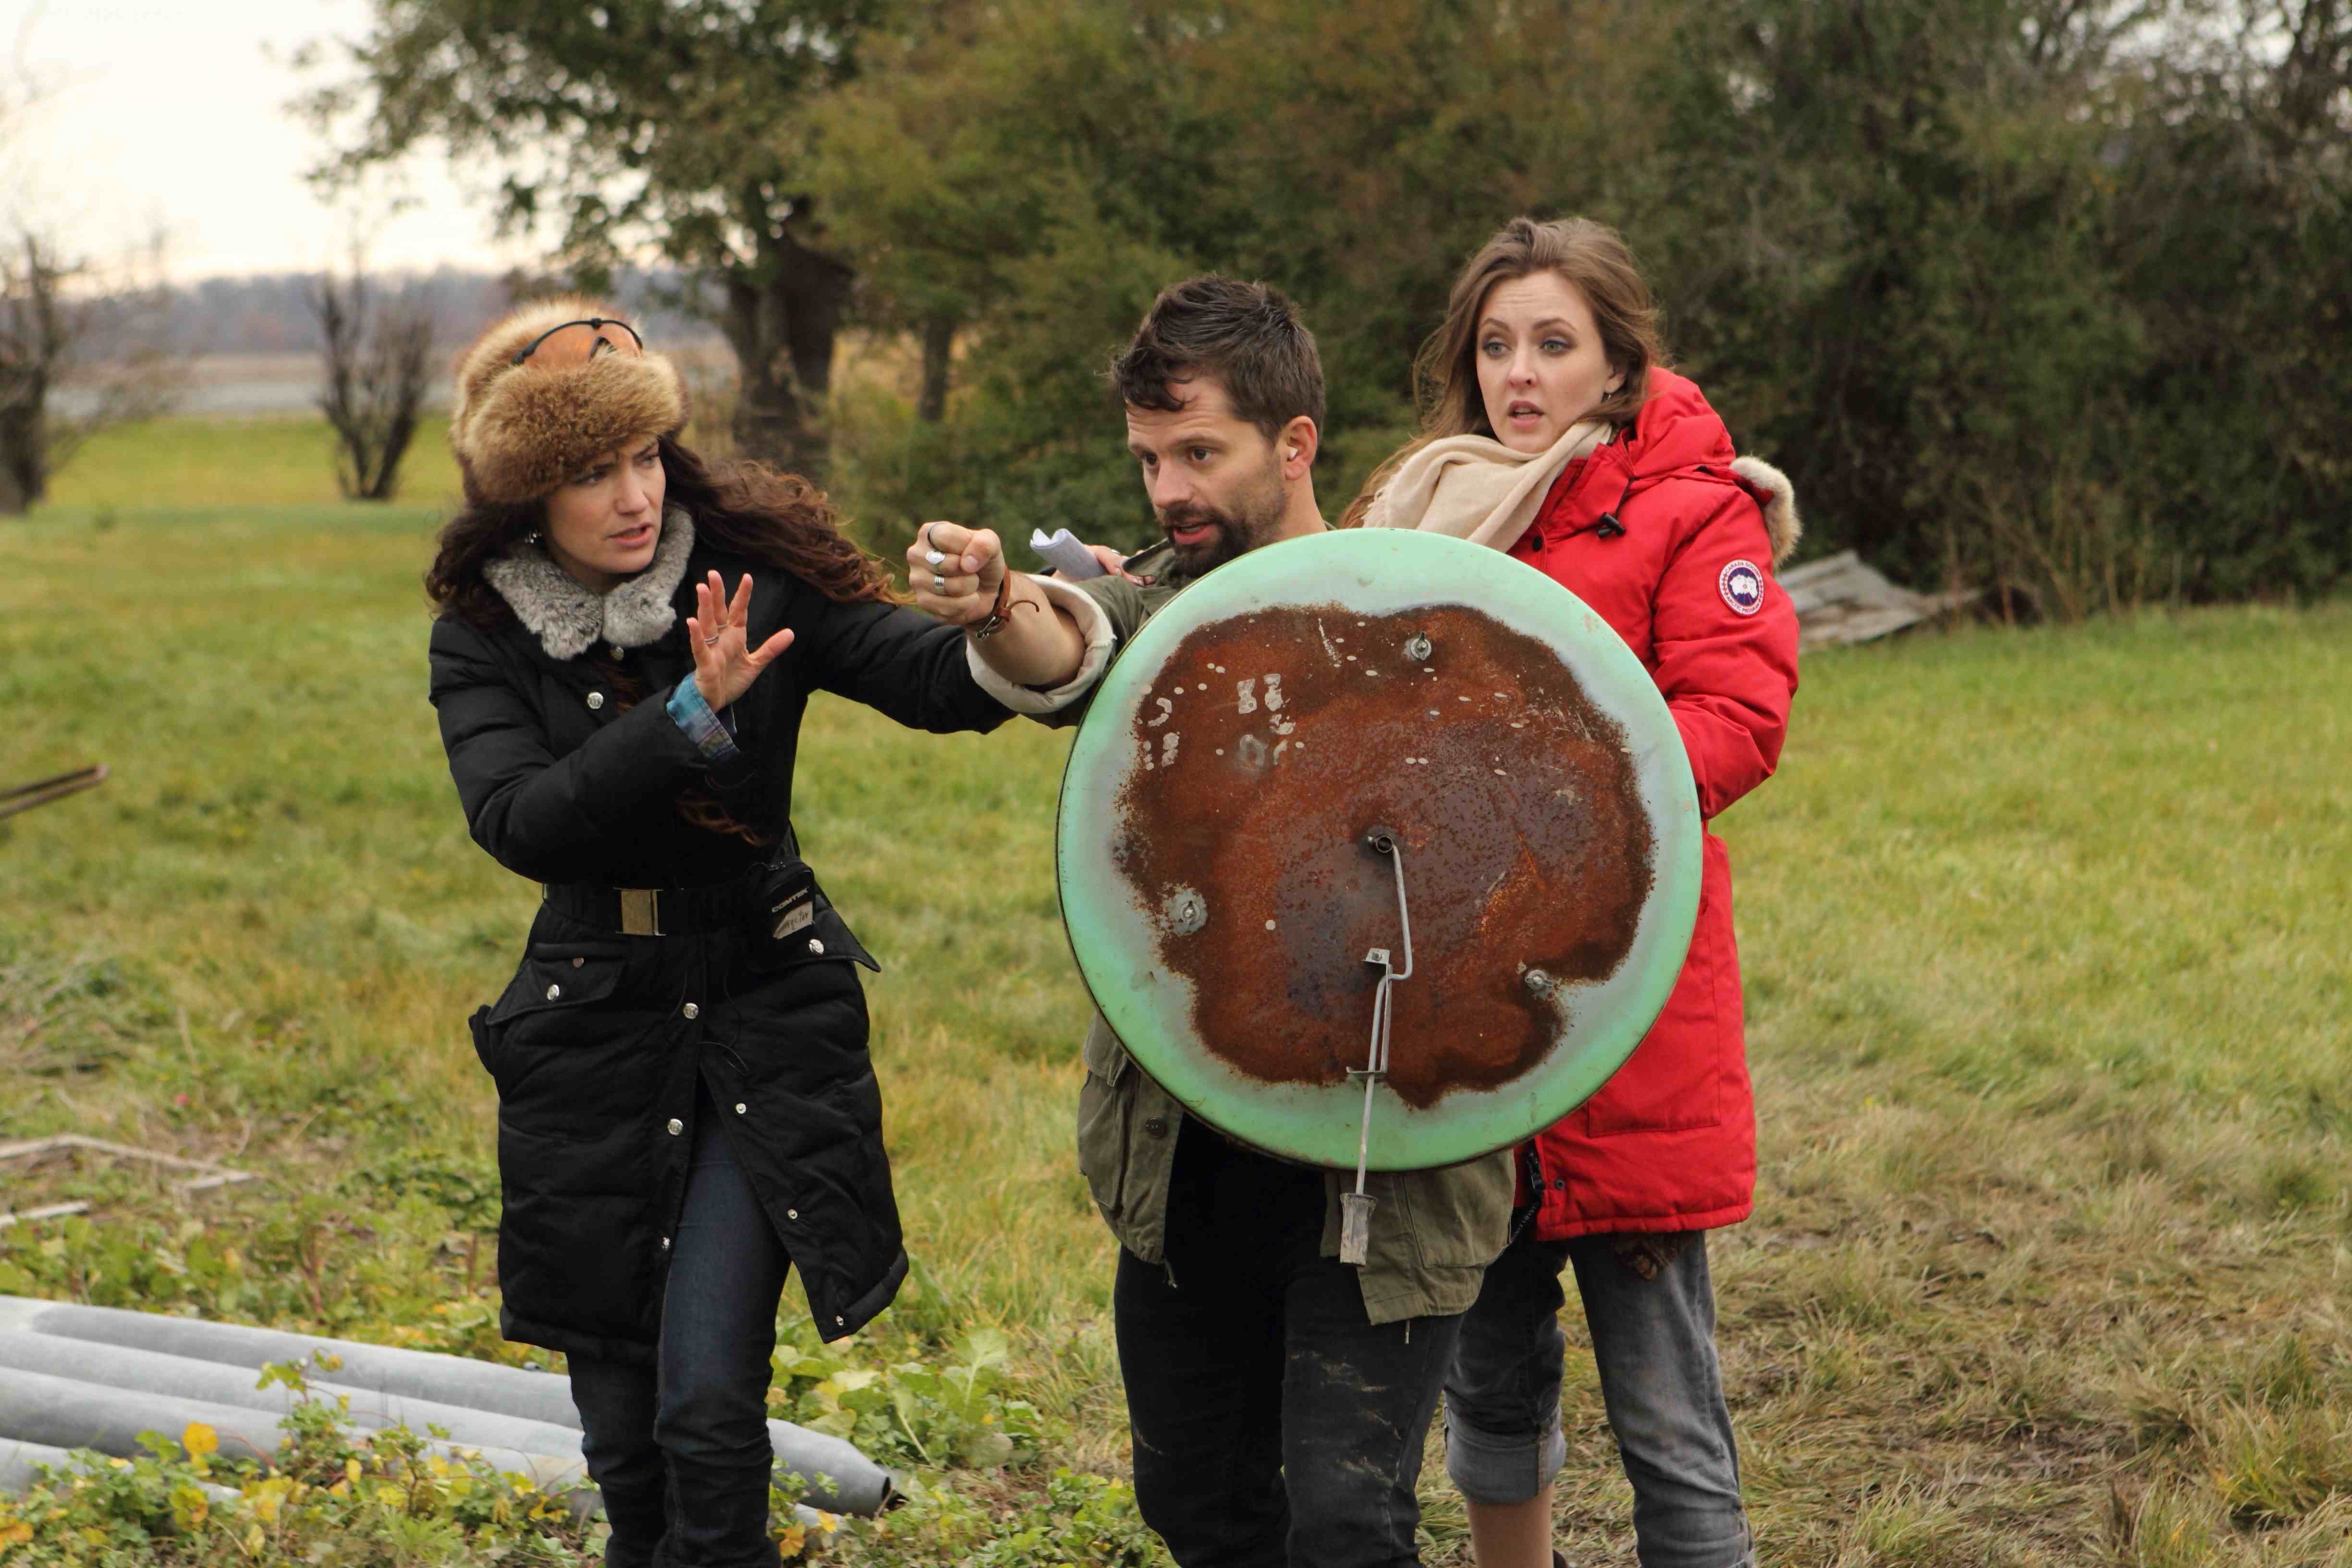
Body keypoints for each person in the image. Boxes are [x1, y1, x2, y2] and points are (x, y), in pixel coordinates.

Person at [423, 299, 1099, 1568]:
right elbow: (521, 820)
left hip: (761, 1014)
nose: (630, 496)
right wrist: (686, 712)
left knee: (706, 1411)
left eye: (642, 456)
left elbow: (936, 684)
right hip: (592, 1032)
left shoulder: (749, 565)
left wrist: (999, 609)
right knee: (622, 1433)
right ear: (525, 496)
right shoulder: (484, 633)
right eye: (587, 473)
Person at [907, 276, 1517, 1568]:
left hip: (1382, 1155)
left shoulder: (1421, 611)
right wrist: (998, 602)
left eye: (1200, 453)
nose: (1168, 490)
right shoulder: (1158, 609)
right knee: (1203, 1508)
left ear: (1292, 445)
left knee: (1348, 1526)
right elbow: (1070, 641)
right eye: (1147, 461)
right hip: (1194, 1149)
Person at [1347, 216, 1801, 1568]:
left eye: (1554, 343)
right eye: (1496, 345)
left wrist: (1559, 807)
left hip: (1624, 996)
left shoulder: (1695, 508)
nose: (1520, 374)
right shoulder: (1429, 504)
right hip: (1462, 998)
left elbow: (1737, 713)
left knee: (1666, 1406)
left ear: (1616, 360)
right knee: (1490, 1368)